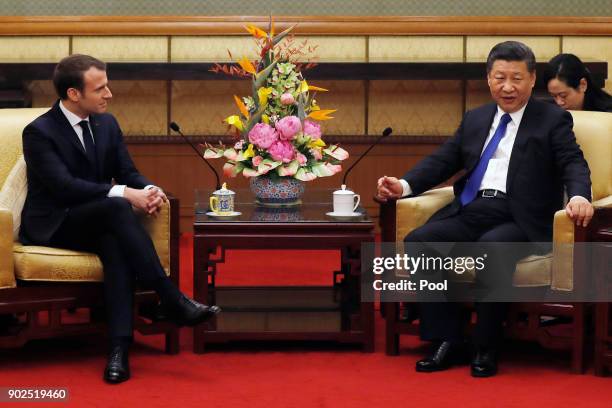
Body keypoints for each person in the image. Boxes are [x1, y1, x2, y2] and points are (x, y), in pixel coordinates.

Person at [376, 41, 593, 377]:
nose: (508, 87)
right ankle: (447, 339)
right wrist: (403, 186)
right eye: (500, 77)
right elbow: (443, 160)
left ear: (532, 79)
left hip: (520, 215)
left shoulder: (552, 119)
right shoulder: (476, 118)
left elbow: (572, 163)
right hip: (474, 207)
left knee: (491, 248)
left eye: (516, 78)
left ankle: (486, 345)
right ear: (488, 78)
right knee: (422, 241)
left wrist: (580, 196)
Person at [20, 54, 221, 384]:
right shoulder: (40, 132)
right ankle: (169, 297)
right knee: (117, 208)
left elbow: (126, 172)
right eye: (100, 89)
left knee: (115, 244)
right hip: (55, 223)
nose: (108, 94)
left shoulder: (106, 123)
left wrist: (150, 189)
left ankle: (118, 350)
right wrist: (126, 194)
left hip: (97, 220)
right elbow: (64, 187)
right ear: (73, 94)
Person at [544, 53, 612, 112]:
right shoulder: (548, 110)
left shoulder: (607, 114)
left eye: (563, 96)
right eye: (554, 96)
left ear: (583, 85)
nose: (559, 102)